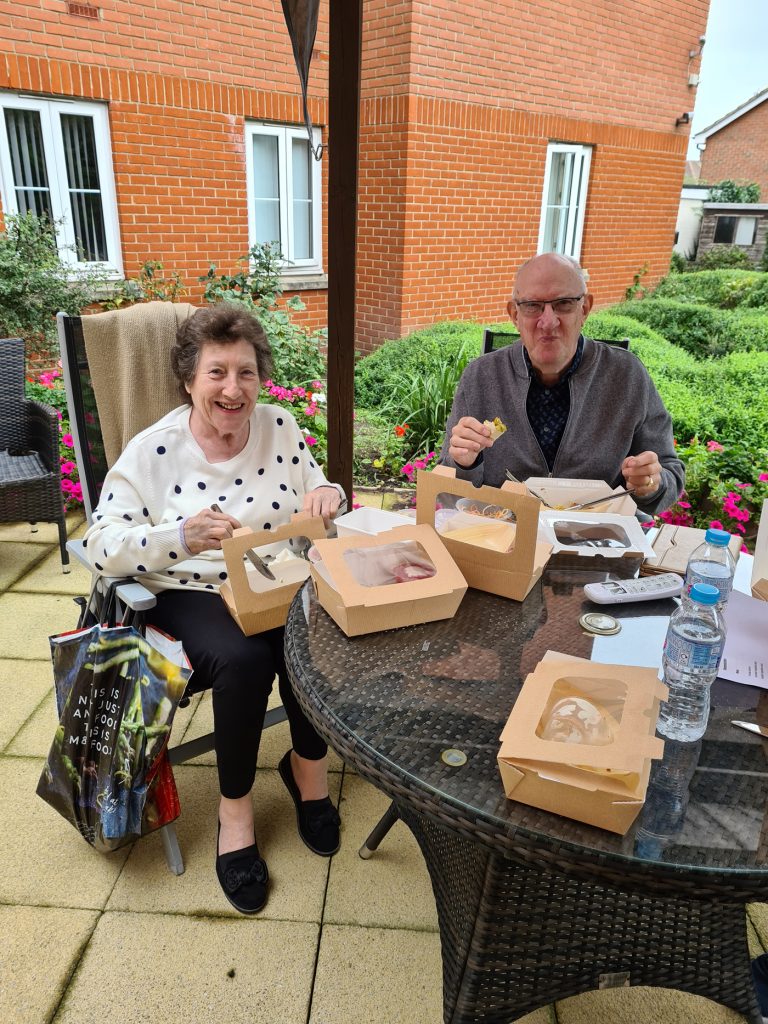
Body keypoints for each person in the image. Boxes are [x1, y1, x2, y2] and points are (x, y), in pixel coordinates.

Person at [84, 303, 343, 915]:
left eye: (246, 373)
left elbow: (314, 483)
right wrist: (180, 535)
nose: (233, 389)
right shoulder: (154, 452)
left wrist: (327, 489)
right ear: (189, 380)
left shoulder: (280, 426)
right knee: (244, 658)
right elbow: (99, 544)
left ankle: (308, 771)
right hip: (188, 589)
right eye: (217, 373)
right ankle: (236, 815)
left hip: (277, 579)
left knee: (313, 634)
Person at [441, 253, 684, 514]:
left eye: (564, 303)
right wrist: (463, 465)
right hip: (503, 538)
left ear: (585, 308)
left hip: (596, 541)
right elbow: (447, 496)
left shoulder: (626, 376)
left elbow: (670, 473)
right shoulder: (480, 377)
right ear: (514, 314)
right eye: (533, 305)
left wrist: (651, 483)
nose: (548, 322)